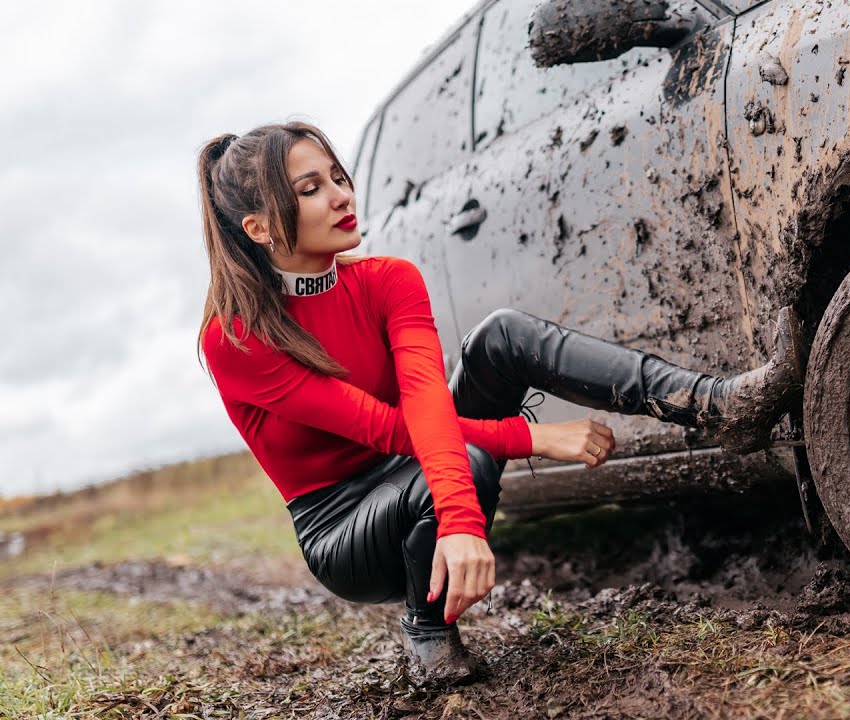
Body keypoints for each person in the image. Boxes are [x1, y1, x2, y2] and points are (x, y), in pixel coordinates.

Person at [196, 121, 803, 683]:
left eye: (338, 176)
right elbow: (385, 430)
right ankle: (427, 626)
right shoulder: (237, 337)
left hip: (422, 455)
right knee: (468, 460)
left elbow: (427, 404)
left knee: (502, 336)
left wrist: (460, 511)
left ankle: (717, 407)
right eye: (310, 189)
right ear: (261, 227)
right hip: (346, 527)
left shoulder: (388, 280)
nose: (340, 195)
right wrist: (533, 438)